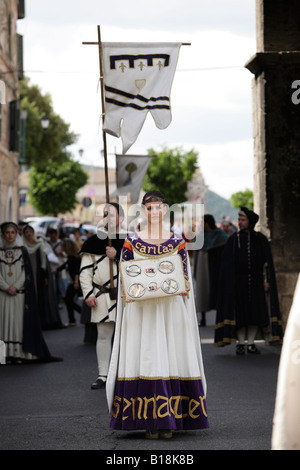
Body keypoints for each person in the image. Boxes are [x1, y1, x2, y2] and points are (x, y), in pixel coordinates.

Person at [106, 190, 209, 439]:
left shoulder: (177, 242)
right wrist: (128, 293)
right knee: (149, 355)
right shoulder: (131, 241)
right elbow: (126, 278)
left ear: (165, 210)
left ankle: (170, 419)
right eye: (150, 208)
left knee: (170, 354)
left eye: (159, 207)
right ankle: (151, 421)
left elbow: (185, 278)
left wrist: (183, 291)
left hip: (170, 308)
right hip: (142, 311)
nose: (155, 212)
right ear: (144, 211)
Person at [214, 206, 283, 354]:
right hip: (238, 282)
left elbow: (266, 264)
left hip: (257, 281)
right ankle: (240, 343)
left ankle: (250, 343)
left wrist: (266, 280)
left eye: (243, 220)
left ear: (250, 221)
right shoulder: (233, 240)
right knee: (240, 313)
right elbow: (227, 265)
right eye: (239, 219)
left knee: (254, 313)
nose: (240, 222)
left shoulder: (260, 239)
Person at [0, 222, 61, 363]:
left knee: (17, 324)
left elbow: (25, 274)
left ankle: (18, 354)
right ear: (3, 234)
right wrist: (5, 287)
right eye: (7, 232)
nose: (10, 235)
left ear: (16, 234)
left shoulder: (22, 251)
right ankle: (4, 355)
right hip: (3, 294)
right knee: (3, 323)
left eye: (12, 232)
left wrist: (15, 286)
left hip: (18, 294)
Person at [79, 203, 125, 389]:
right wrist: (88, 293)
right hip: (102, 295)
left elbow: (141, 267)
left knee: (127, 337)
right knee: (104, 335)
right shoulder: (93, 242)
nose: (108, 219)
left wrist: (119, 254)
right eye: (104, 215)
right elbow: (85, 272)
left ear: (121, 218)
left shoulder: (131, 241)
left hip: (126, 296)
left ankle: (125, 374)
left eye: (112, 215)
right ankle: (103, 375)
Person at [22, 224, 64, 329]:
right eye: (26, 232)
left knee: (42, 297)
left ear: (33, 233)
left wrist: (45, 276)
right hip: (26, 275)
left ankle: (44, 321)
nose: (28, 234)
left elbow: (44, 261)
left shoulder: (40, 244)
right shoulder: (22, 246)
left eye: (30, 232)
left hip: (40, 275)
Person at [193, 214, 228, 326]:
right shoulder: (200, 235)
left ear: (207, 223)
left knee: (217, 291)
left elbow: (225, 250)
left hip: (216, 266)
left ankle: (220, 318)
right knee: (202, 291)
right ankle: (202, 318)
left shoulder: (220, 234)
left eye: (202, 222)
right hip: (203, 265)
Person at [59, 238, 82, 327]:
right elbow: (65, 265)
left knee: (68, 300)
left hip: (74, 282)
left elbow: (77, 271)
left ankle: (80, 313)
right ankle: (72, 319)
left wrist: (76, 282)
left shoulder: (74, 258)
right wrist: (56, 270)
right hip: (73, 282)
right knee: (68, 300)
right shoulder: (71, 257)